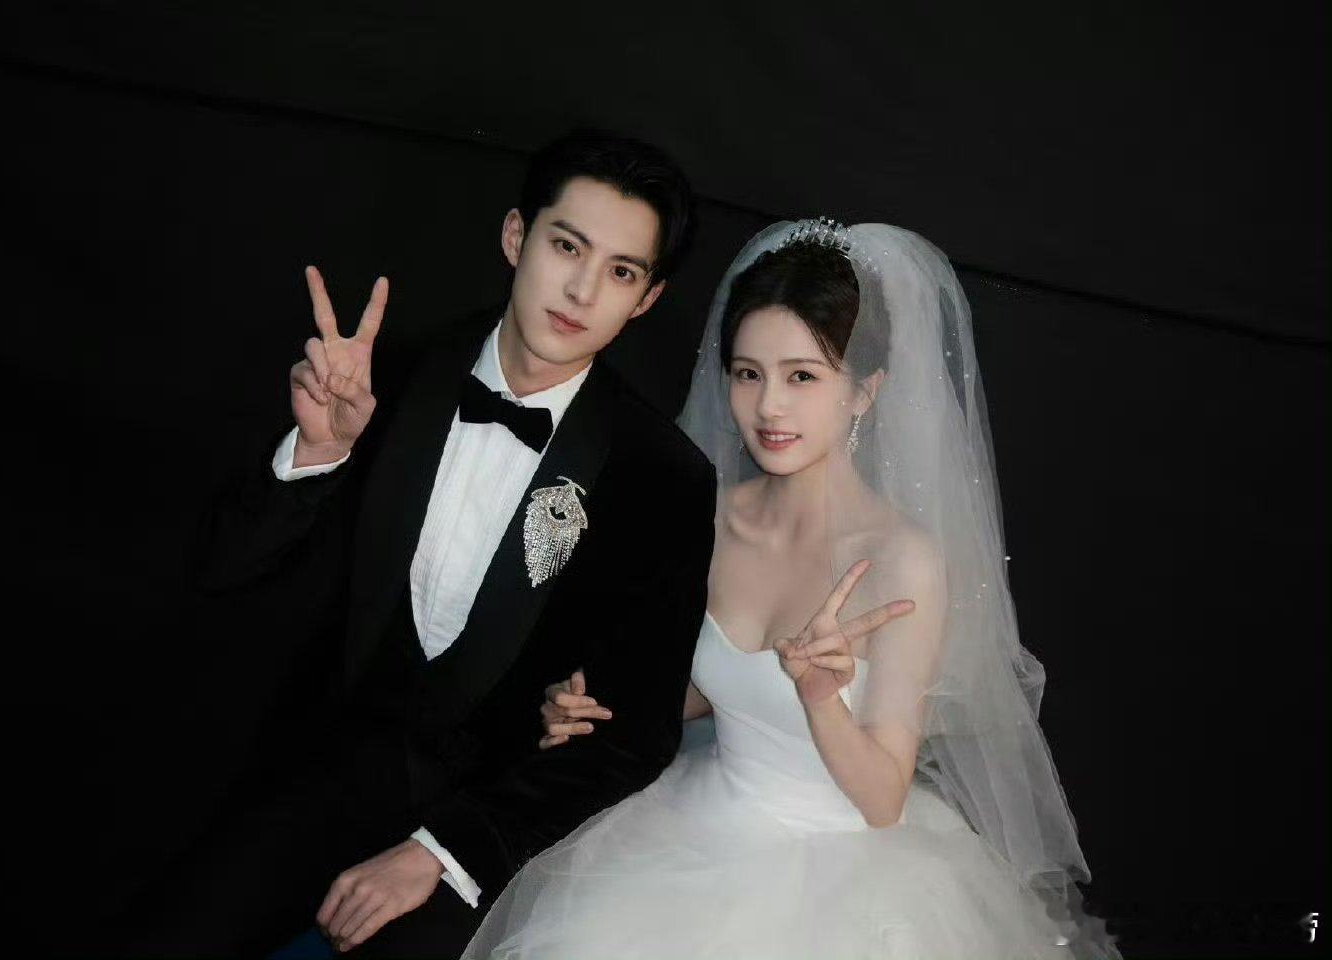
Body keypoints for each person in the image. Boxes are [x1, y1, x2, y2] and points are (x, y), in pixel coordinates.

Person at [117, 131, 718, 958]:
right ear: (517, 236)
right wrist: (317, 454)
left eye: (621, 272)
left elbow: (636, 736)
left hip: (479, 832)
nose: (582, 290)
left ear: (646, 299)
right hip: (311, 776)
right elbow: (222, 567)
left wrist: (443, 852)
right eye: (566, 246)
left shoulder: (664, 477)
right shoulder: (381, 375)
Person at [464, 219, 1120, 959]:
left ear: (864, 392)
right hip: (688, 836)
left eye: (803, 376)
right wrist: (598, 706)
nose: (770, 407)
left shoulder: (901, 558)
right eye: (748, 374)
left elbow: (883, 800)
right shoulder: (707, 517)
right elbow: (709, 688)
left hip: (848, 881)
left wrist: (820, 698)